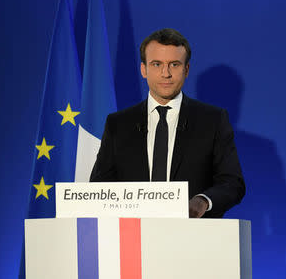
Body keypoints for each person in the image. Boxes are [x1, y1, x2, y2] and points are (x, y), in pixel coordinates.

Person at [90, 28, 245, 218]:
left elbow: (232, 183)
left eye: (174, 64)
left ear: (186, 70)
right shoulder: (118, 124)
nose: (166, 73)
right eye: (156, 64)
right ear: (143, 69)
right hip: (132, 238)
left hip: (194, 236)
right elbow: (100, 186)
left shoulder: (213, 120)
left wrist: (204, 200)